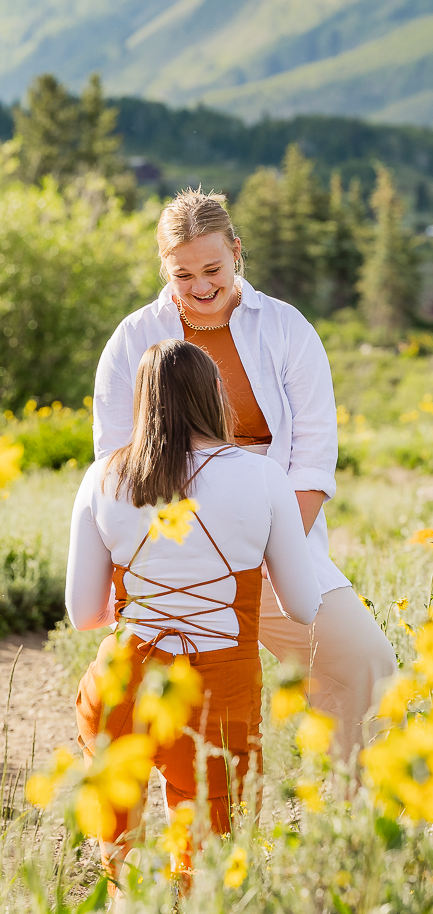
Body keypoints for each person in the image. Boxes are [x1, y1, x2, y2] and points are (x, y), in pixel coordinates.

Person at [93, 187, 397, 760]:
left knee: (365, 663)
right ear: (165, 267)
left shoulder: (286, 328)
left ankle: (356, 826)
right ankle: (140, 839)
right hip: (169, 556)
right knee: (146, 710)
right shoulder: (132, 339)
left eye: (212, 267)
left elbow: (312, 461)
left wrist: (263, 552)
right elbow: (113, 466)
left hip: (278, 544)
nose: (201, 285)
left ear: (237, 251)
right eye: (184, 274)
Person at [67, 339, 320, 879]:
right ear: (215, 396)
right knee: (208, 875)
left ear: (143, 400)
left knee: (121, 869)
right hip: (218, 692)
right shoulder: (264, 476)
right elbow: (301, 606)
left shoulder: (103, 477)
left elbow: (83, 614)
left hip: (122, 683)